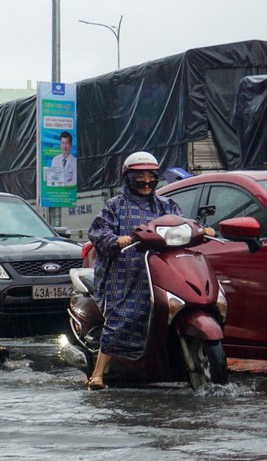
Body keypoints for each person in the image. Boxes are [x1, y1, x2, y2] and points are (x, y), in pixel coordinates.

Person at [85, 150, 204, 390]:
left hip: (161, 270)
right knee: (121, 317)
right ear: (129, 178)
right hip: (126, 274)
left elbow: (183, 224)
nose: (146, 182)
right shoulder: (115, 206)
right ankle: (98, 374)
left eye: (151, 176)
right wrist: (116, 240)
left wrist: (201, 230)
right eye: (140, 177)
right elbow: (97, 232)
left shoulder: (166, 205)